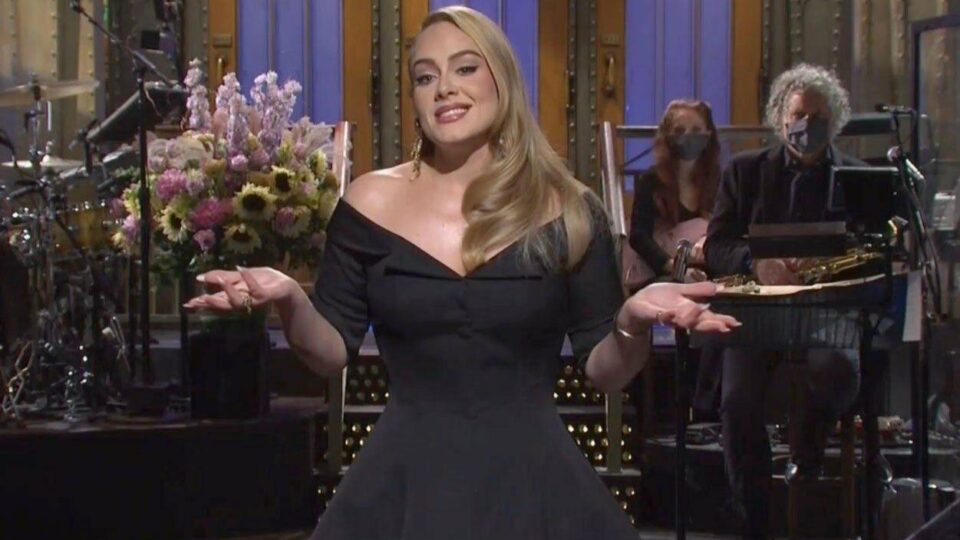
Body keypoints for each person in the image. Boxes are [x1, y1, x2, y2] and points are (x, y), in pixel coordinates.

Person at [186, 7, 737, 539]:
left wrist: (631, 323)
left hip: (534, 483)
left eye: (465, 68)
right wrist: (289, 299)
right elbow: (330, 352)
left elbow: (607, 372)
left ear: (503, 80)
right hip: (405, 481)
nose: (444, 88)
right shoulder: (369, 203)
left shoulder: (569, 209)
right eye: (425, 77)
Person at [703, 63, 864, 540]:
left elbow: (875, 251)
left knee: (836, 369)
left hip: (825, 311)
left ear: (835, 121)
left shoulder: (857, 177)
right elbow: (716, 246)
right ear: (780, 118)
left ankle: (806, 456)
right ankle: (753, 516)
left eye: (818, 118)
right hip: (757, 312)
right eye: (799, 116)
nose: (807, 126)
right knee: (737, 403)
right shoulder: (745, 171)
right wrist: (756, 262)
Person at [627, 99, 721, 288]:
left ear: (708, 135)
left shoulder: (718, 180)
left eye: (696, 130)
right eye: (679, 130)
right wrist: (676, 268)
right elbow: (639, 236)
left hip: (707, 271)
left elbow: (726, 227)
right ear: (667, 136)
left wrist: (708, 240)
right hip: (660, 273)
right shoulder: (650, 180)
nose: (688, 136)